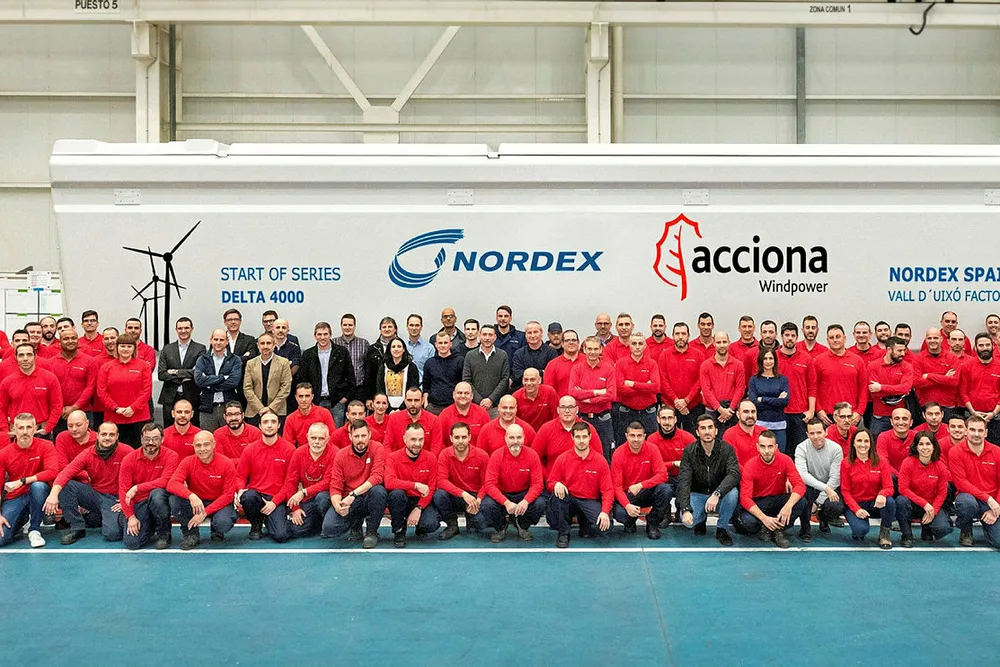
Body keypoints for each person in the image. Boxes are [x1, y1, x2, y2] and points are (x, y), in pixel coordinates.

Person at [44, 421, 129, 545]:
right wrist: (53, 494)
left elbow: (139, 477)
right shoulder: (88, 453)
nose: (107, 438)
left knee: (112, 534)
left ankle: (99, 518)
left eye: (111, 434)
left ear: (117, 436)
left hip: (115, 499)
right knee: (66, 485)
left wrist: (126, 500)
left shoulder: (126, 451)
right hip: (95, 495)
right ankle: (77, 528)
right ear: (97, 435)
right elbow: (66, 473)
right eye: (104, 434)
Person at [166, 430, 239, 550]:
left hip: (219, 502)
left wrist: (204, 513)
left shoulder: (227, 463)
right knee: (175, 500)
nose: (202, 449)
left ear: (214, 445)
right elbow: (172, 484)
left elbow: (228, 495)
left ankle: (217, 531)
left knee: (223, 523)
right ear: (193, 446)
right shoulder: (187, 462)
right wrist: (191, 496)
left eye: (206, 444)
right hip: (197, 502)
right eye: (198, 445)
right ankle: (190, 534)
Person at [676, 414, 741, 546]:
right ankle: (700, 520)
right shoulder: (689, 451)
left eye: (710, 427)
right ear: (697, 432)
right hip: (697, 493)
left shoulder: (727, 449)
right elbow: (684, 481)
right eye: (703, 428)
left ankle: (722, 528)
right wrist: (686, 509)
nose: (707, 431)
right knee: (688, 522)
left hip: (720, 494)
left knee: (733, 493)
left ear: (716, 430)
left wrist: (717, 493)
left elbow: (734, 474)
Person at [546, 422, 614, 548]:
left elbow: (608, 490)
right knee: (558, 497)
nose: (581, 441)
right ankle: (563, 533)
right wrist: (556, 484)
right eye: (578, 437)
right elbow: (550, 482)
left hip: (589, 500)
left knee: (606, 528)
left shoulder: (600, 461)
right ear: (572, 437)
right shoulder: (563, 459)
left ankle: (585, 521)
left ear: (590, 437)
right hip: (569, 499)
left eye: (584, 437)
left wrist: (605, 512)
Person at [734, 431, 806, 548]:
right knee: (747, 522)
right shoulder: (750, 465)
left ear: (776, 447)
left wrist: (788, 506)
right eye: (763, 446)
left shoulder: (785, 460)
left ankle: (778, 529)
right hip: (759, 502)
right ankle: (766, 526)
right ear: (757, 447)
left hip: (777, 500)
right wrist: (764, 518)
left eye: (770, 446)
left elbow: (800, 485)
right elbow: (745, 498)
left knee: (801, 502)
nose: (766, 451)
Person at [322, 419, 387, 549]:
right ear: (350, 436)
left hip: (368, 496)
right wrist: (338, 506)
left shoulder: (377, 448)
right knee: (330, 528)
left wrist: (353, 494)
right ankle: (355, 524)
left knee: (379, 491)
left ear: (369, 435)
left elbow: (377, 477)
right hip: (349, 500)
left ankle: (372, 532)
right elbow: (335, 485)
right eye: (356, 436)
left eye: (363, 435)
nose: (360, 440)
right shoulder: (341, 455)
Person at [234, 410, 295, 542]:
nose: (269, 425)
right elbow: (240, 476)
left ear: (279, 425)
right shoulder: (250, 449)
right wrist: (240, 490)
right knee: (248, 496)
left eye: (273, 422)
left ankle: (270, 519)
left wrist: (274, 502)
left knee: (281, 536)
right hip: (256, 496)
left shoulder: (289, 449)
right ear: (260, 426)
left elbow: (290, 483)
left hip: (277, 498)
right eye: (265, 422)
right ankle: (256, 524)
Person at [0, 414, 59, 548]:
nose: (25, 431)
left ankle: (34, 530)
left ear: (35, 429)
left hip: (40, 493)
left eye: (29, 427)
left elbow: (52, 472)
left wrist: (23, 481)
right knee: (1, 539)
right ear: (14, 429)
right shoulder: (3, 454)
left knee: (38, 486)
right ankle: (19, 522)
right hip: (15, 497)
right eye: (21, 428)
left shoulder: (47, 445)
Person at [118, 423, 180, 550]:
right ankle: (149, 525)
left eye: (155, 438)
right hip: (139, 502)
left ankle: (164, 534)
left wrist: (137, 488)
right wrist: (131, 516)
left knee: (157, 495)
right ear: (141, 439)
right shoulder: (129, 459)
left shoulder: (171, 456)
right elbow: (124, 489)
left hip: (160, 499)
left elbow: (166, 481)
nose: (150, 442)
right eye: (147, 439)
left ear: (162, 439)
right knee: (132, 543)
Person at [480, 424, 545, 543]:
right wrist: (506, 502)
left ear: (524, 438)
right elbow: (489, 484)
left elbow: (538, 484)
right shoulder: (496, 456)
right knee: (486, 504)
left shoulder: (532, 455)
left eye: (519, 437)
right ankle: (501, 527)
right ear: (505, 438)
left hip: (523, 493)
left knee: (540, 503)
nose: (515, 441)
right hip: (503, 493)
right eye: (512, 438)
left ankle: (522, 525)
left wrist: (526, 501)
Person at [611, 421, 671, 539]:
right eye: (632, 435)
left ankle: (652, 523)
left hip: (647, 491)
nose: (636, 439)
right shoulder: (618, 453)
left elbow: (663, 475)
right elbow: (616, 487)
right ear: (626, 436)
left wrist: (641, 485)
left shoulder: (652, 449)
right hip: (628, 495)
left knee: (665, 490)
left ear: (644, 436)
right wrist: (627, 505)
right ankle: (630, 521)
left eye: (639, 436)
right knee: (621, 514)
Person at [384, 423, 440, 548]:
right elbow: (389, 482)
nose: (417, 443)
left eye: (421, 439)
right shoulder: (393, 458)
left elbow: (431, 488)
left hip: (420, 500)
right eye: (413, 439)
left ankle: (421, 526)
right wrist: (415, 485)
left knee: (431, 524)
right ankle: (399, 531)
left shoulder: (431, 458)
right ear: (405, 439)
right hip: (401, 500)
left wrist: (419, 508)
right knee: (396, 493)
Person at [949, 415, 1000, 548]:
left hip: (992, 503)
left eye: (980, 430)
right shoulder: (955, 452)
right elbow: (961, 483)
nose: (976, 434)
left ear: (986, 433)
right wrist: (988, 498)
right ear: (966, 431)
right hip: (969, 498)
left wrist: (996, 507)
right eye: (972, 430)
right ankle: (966, 528)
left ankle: (988, 528)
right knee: (966, 503)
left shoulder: (997, 452)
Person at [433, 422, 490, 540]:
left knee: (481, 524)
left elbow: (487, 483)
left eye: (464, 437)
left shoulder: (482, 455)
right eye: (457, 437)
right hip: (454, 495)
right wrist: (463, 494)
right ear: (451, 438)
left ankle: (471, 518)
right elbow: (441, 481)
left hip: (474, 496)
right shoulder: (445, 454)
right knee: (439, 495)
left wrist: (478, 500)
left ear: (469, 437)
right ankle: (452, 525)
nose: (460, 441)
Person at [840, 429, 895, 549]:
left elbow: (889, 487)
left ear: (871, 443)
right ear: (853, 443)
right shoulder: (846, 463)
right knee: (860, 531)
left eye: (866, 441)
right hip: (856, 503)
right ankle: (858, 526)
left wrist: (882, 494)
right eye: (859, 441)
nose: (863, 444)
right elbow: (845, 491)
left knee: (890, 502)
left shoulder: (881, 461)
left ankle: (884, 534)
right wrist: (856, 509)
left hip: (875, 503)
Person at [897, 431, 953, 547]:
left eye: (928, 444)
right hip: (914, 504)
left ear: (934, 447)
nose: (925, 447)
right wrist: (924, 504)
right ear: (916, 447)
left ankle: (927, 528)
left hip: (932, 506)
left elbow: (942, 493)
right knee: (901, 501)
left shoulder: (940, 466)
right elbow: (903, 489)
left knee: (943, 529)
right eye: (921, 444)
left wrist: (933, 511)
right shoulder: (908, 463)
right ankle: (907, 534)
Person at [794, 418, 846, 541]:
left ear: (825, 432)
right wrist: (825, 488)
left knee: (836, 506)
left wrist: (818, 502)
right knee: (803, 495)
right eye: (812, 433)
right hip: (810, 486)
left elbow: (835, 478)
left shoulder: (836, 449)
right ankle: (805, 528)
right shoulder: (801, 448)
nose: (816, 436)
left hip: (830, 486)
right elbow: (802, 475)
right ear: (807, 434)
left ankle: (823, 518)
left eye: (819, 432)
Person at [283, 422, 336, 540]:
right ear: (307, 437)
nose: (316, 442)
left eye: (321, 438)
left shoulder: (334, 453)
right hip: (308, 499)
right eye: (313, 438)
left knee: (322, 498)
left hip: (327, 497)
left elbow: (329, 481)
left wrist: (304, 492)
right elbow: (291, 482)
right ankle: (317, 523)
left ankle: (327, 524)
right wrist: (295, 509)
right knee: (296, 530)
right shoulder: (299, 453)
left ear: (328, 439)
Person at [96, 335, 152, 448]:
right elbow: (101, 391)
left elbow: (146, 391)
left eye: (129, 346)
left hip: (138, 417)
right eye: (122, 346)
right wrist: (116, 408)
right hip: (114, 417)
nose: (125, 349)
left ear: (134, 348)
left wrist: (133, 408)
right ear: (117, 347)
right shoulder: (106, 367)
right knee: (114, 450)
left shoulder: (143, 366)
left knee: (138, 451)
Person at [808, 325, 866, 428]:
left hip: (851, 415)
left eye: (838, 336)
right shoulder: (818, 361)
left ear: (844, 338)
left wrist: (859, 412)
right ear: (827, 340)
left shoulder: (857, 360)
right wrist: (819, 410)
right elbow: (813, 388)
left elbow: (863, 388)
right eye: (831, 337)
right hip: (826, 416)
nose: (835, 340)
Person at [0, 343, 63, 438]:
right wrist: (5, 430)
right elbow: (1, 408)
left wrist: (49, 427)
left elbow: (57, 405)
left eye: (29, 354)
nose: (25, 358)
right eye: (21, 355)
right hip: (17, 432)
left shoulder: (50, 378)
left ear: (35, 356)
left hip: (41, 432)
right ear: (16, 357)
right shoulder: (7, 382)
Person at [569, 336, 616, 459]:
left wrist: (588, 399)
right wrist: (597, 392)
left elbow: (611, 395)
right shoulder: (577, 369)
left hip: (603, 419)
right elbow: (572, 392)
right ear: (584, 349)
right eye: (589, 349)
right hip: (583, 419)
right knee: (581, 454)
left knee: (606, 454)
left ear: (601, 350)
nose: (592, 352)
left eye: (595, 349)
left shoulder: (609, 369)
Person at [300, 321, 356, 425]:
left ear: (330, 335)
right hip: (316, 402)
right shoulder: (308, 354)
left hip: (337, 402)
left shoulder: (341, 352)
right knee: (317, 431)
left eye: (325, 334)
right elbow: (303, 379)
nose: (322, 337)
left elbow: (350, 377)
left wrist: (345, 398)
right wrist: (309, 398)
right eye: (319, 334)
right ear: (315, 336)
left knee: (336, 432)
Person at [533, 397, 600, 479]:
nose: (567, 411)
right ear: (558, 410)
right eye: (563, 407)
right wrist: (548, 477)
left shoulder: (588, 429)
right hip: (553, 482)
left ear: (577, 409)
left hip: (582, 482)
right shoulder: (546, 429)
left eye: (571, 407)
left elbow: (598, 459)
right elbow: (534, 458)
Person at [156, 317, 206, 428]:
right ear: (176, 330)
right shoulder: (167, 348)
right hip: (170, 398)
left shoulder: (200, 348)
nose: (183, 331)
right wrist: (187, 373)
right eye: (180, 328)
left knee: (193, 429)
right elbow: (162, 374)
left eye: (186, 328)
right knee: (169, 430)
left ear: (192, 329)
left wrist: (174, 372)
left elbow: (198, 373)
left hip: (192, 396)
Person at [646, 405, 695, 515]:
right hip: (662, 478)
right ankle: (664, 513)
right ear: (658, 420)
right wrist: (673, 463)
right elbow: (652, 467)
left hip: (683, 477)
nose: (667, 422)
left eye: (670, 418)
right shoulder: (651, 440)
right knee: (664, 489)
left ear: (675, 419)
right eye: (663, 418)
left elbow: (696, 462)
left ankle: (681, 510)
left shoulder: (688, 438)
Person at [613, 332, 660, 445]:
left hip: (648, 412)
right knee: (623, 444)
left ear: (645, 346)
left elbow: (655, 387)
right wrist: (645, 386)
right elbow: (620, 389)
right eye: (634, 343)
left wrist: (632, 384)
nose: (637, 347)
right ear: (629, 345)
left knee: (651, 444)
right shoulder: (620, 364)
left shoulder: (652, 364)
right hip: (626, 412)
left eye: (640, 343)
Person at [659, 322, 705, 436]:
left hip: (694, 406)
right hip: (670, 407)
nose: (680, 337)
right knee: (669, 439)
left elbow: (700, 380)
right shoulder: (664, 355)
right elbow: (663, 381)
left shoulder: (698, 355)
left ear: (688, 336)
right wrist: (676, 401)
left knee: (694, 439)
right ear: (673, 336)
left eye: (683, 334)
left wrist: (686, 400)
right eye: (677, 334)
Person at [49, 327, 98, 435]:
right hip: (60, 413)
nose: (70, 341)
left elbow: (90, 387)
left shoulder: (90, 361)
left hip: (84, 411)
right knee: (60, 441)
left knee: (86, 442)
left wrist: (75, 407)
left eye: (73, 338)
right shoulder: (50, 363)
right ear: (59, 342)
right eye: (66, 339)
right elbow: (51, 390)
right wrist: (60, 408)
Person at [193, 329, 243, 433]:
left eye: (221, 340)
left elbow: (233, 382)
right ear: (211, 340)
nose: (218, 342)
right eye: (216, 339)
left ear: (227, 341)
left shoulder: (235, 359)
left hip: (228, 407)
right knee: (207, 438)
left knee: (229, 437)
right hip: (207, 408)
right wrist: (222, 377)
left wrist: (209, 384)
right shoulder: (202, 359)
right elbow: (199, 380)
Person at [867, 336, 914, 440]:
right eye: (899, 351)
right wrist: (897, 390)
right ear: (889, 349)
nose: (903, 354)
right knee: (876, 444)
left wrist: (881, 387)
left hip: (900, 417)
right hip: (880, 417)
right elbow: (874, 392)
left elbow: (905, 388)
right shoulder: (873, 366)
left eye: (904, 350)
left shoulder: (907, 366)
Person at [777, 322, 814, 450]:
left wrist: (811, 410)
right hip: (779, 412)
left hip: (800, 413)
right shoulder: (773, 358)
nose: (790, 338)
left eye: (793, 335)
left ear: (797, 337)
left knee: (800, 450)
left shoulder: (806, 358)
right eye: (787, 335)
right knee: (781, 449)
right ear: (781, 336)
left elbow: (812, 386)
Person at [242, 333, 293, 426]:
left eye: (268, 343)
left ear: (274, 345)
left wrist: (271, 408)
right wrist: (260, 408)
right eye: (262, 343)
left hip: (277, 410)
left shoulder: (283, 363)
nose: (265, 346)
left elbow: (286, 388)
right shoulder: (250, 363)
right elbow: (247, 388)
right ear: (258, 346)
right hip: (255, 411)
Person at [698, 331, 745, 429]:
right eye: (719, 342)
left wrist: (730, 409)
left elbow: (740, 388)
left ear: (729, 342)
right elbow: (706, 390)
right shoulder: (705, 365)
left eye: (724, 342)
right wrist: (720, 409)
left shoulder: (738, 365)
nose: (722, 345)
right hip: (711, 411)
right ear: (714, 343)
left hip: (731, 411)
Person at [959, 333, 1000, 444]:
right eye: (981, 345)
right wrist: (973, 412)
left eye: (987, 345)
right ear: (975, 347)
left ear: (993, 346)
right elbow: (963, 392)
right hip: (972, 415)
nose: (985, 348)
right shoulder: (967, 366)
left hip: (996, 417)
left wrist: (994, 413)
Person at [462, 325, 510, 418]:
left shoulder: (502, 355)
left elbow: (505, 379)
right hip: (475, 406)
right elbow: (466, 380)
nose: (487, 338)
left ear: (495, 337)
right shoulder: (470, 355)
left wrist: (491, 399)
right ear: (479, 336)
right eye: (484, 334)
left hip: (495, 407)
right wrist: (480, 401)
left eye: (490, 335)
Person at [748, 348, 790, 454]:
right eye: (765, 358)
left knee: (780, 455)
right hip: (760, 425)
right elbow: (753, 403)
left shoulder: (782, 380)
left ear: (775, 360)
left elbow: (784, 402)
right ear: (761, 361)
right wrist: (776, 401)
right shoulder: (754, 380)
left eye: (771, 358)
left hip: (779, 426)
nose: (768, 361)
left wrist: (762, 399)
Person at [912, 328, 959, 419]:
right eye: (929, 338)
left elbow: (954, 381)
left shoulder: (952, 358)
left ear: (941, 339)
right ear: (926, 340)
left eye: (935, 338)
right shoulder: (918, 358)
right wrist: (944, 377)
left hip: (947, 406)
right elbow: (916, 382)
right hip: (925, 405)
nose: (932, 340)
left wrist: (929, 375)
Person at [384, 387, 443, 454]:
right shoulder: (394, 419)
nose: (413, 404)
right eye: (409, 400)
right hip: (398, 460)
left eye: (416, 400)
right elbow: (387, 446)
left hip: (426, 460)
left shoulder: (434, 420)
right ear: (405, 401)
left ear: (422, 401)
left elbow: (436, 449)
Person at [332, 314, 370, 414]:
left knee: (358, 420)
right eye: (345, 325)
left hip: (358, 390)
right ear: (341, 326)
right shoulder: (333, 343)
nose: (347, 327)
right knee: (338, 421)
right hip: (339, 391)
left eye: (350, 325)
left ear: (354, 326)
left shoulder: (364, 343)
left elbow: (368, 369)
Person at [437, 382, 490, 448]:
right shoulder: (444, 415)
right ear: (454, 395)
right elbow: (440, 442)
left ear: (472, 396)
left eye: (466, 393)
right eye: (459, 393)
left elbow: (488, 439)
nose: (463, 396)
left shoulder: (482, 413)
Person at [283, 383, 335, 449]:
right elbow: (288, 444)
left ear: (312, 397)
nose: (304, 399)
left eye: (307, 396)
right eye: (301, 396)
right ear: (296, 397)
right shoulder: (290, 419)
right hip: (301, 453)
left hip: (323, 451)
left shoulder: (324, 413)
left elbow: (332, 438)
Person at [422, 332, 464, 414]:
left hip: (454, 406)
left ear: (450, 344)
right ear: (436, 345)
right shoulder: (429, 363)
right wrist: (426, 404)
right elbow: (426, 386)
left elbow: (463, 383)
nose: (443, 345)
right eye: (440, 343)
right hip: (433, 407)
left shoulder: (460, 361)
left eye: (445, 343)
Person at [375, 337, 420, 413]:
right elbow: (380, 388)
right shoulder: (383, 367)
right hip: (386, 409)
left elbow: (413, 388)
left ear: (403, 349)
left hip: (406, 409)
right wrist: (389, 409)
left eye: (399, 346)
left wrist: (400, 409)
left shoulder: (411, 367)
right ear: (389, 349)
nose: (396, 349)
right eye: (393, 347)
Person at [510, 321, 558, 390]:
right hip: (524, 390)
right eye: (529, 333)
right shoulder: (519, 354)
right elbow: (517, 375)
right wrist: (541, 372)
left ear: (541, 333)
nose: (532, 336)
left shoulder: (552, 353)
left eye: (535, 332)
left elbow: (552, 375)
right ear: (526, 335)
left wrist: (526, 374)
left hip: (545, 390)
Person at [723, 399, 765, 467]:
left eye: (753, 412)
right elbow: (733, 463)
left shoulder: (764, 431)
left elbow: (776, 456)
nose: (750, 415)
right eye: (746, 412)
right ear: (738, 414)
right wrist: (750, 473)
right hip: (741, 473)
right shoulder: (729, 435)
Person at [542, 329, 582, 399]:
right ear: (562, 344)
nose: (571, 342)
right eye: (567, 340)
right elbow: (549, 392)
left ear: (578, 343)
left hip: (585, 404)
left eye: (574, 340)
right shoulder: (552, 365)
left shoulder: (588, 361)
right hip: (561, 404)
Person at [876, 407, 914, 477]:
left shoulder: (917, 437)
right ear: (891, 422)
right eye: (897, 418)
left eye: (905, 419)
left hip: (912, 477)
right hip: (892, 477)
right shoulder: (883, 437)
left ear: (911, 422)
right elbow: (884, 463)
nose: (901, 422)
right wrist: (900, 477)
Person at [404, 314, 434, 381]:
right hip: (404, 384)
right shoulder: (401, 346)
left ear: (421, 327)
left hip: (422, 385)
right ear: (407, 326)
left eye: (417, 325)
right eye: (411, 325)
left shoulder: (429, 348)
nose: (414, 328)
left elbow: (432, 371)